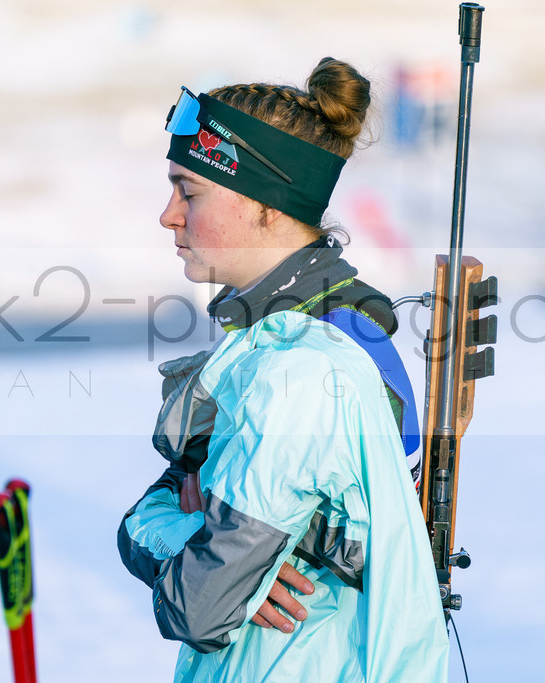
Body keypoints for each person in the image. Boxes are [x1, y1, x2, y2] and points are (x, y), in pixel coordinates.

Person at [118, 57, 449, 682]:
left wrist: (211, 558)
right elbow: (140, 522)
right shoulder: (279, 341)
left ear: (265, 204)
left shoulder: (305, 367)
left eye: (189, 191)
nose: (169, 214)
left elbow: (200, 606)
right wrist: (203, 539)